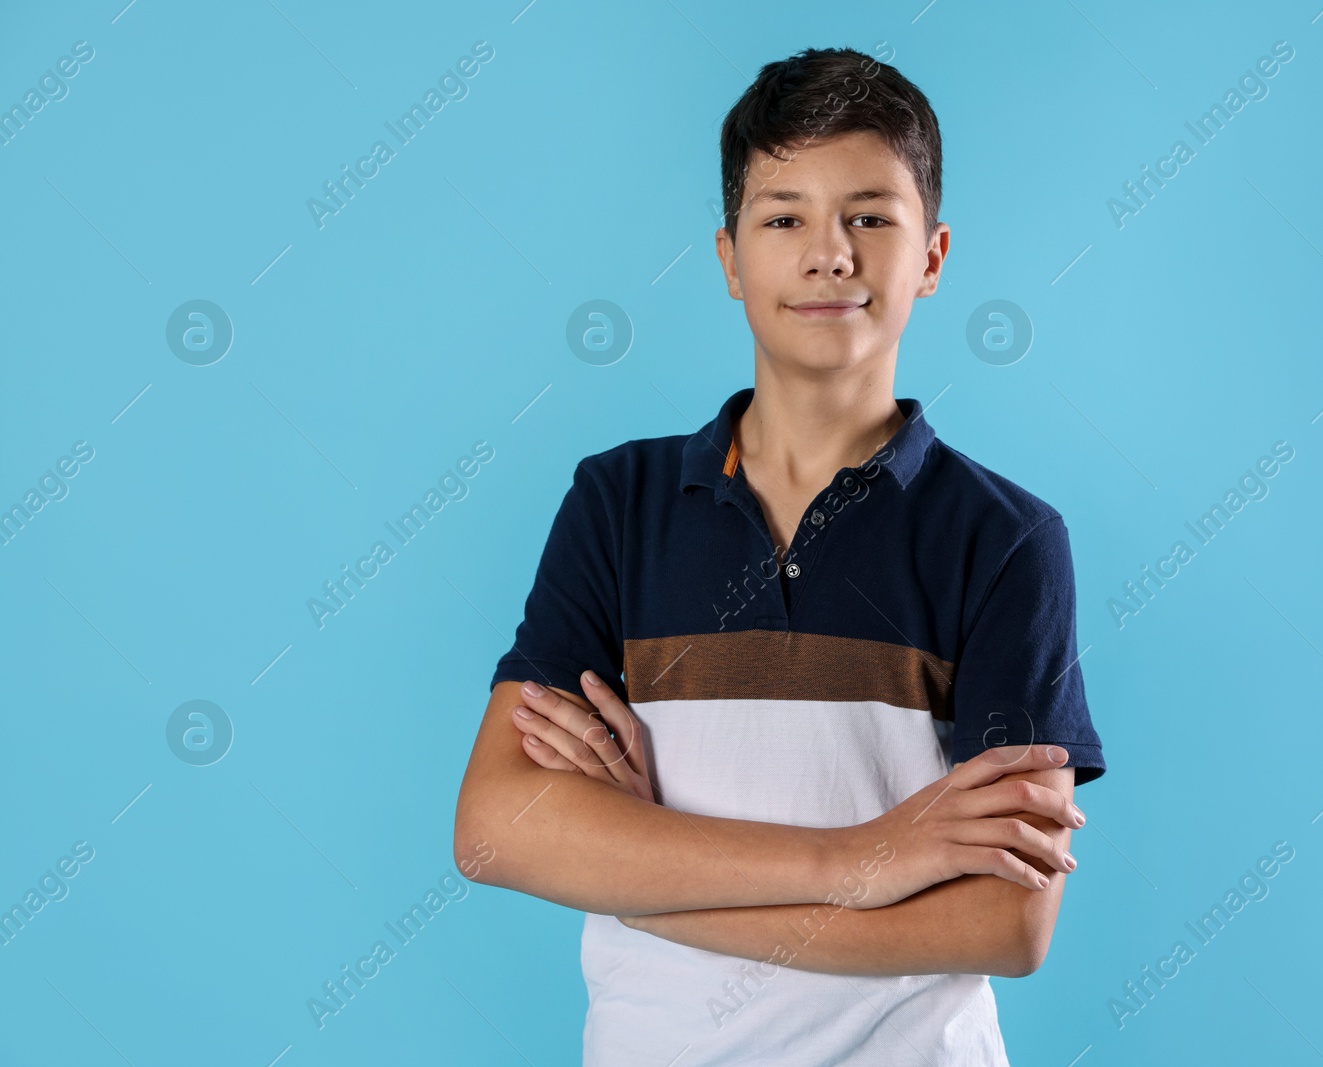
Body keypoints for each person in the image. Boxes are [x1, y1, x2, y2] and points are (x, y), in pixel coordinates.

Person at [453, 45, 1107, 1066]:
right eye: (783, 216)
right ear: (729, 258)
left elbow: (1007, 927)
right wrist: (864, 857)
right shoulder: (618, 504)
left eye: (870, 216)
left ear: (931, 256)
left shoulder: (1006, 538)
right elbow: (495, 826)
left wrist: (645, 884)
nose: (828, 252)